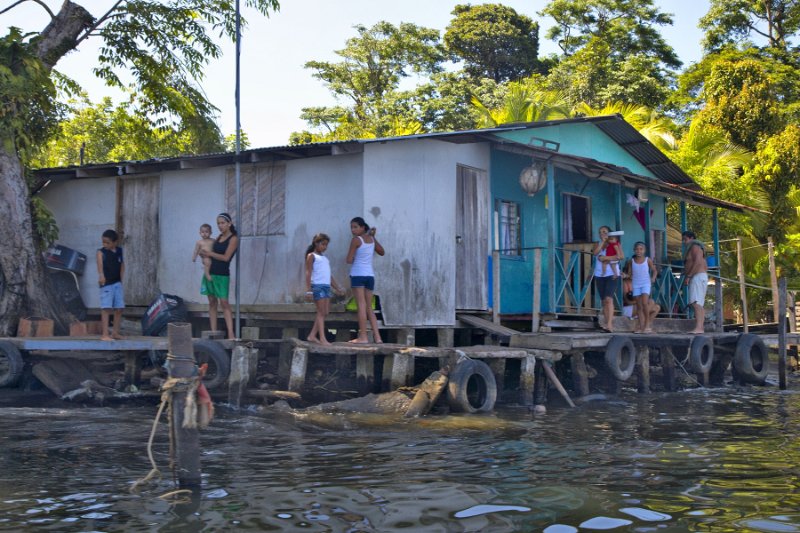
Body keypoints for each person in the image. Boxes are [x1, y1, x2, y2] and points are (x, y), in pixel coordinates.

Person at [199, 213, 239, 339]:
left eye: (222, 223)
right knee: (212, 302)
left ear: (229, 223)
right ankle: (213, 331)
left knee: (224, 302)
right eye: (218, 223)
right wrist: (203, 255)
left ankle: (231, 333)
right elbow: (209, 252)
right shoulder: (218, 237)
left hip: (222, 274)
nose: (220, 226)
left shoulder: (234, 239)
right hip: (210, 272)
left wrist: (210, 253)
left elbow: (226, 257)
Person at [346, 217, 385, 344]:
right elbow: (381, 252)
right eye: (351, 227)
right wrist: (372, 237)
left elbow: (349, 260)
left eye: (355, 227)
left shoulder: (356, 240)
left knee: (361, 306)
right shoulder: (372, 239)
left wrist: (354, 256)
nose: (353, 230)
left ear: (363, 227)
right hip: (370, 276)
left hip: (358, 275)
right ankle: (378, 337)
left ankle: (363, 337)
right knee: (369, 307)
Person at [305, 233, 343, 345]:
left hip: (326, 287)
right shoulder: (311, 256)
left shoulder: (325, 258)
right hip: (318, 286)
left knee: (325, 312)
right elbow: (308, 273)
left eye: (326, 245)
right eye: (323, 244)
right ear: (316, 243)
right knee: (321, 312)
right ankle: (322, 338)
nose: (325, 247)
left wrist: (337, 287)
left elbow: (329, 276)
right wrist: (308, 290)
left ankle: (312, 335)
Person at [593, 225, 624, 332]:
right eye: (601, 232)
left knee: (608, 299)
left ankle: (610, 325)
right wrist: (602, 242)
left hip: (612, 274)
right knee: (603, 301)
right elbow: (595, 253)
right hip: (599, 274)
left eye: (605, 232)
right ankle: (607, 324)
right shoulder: (598, 243)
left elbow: (620, 256)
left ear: (609, 233)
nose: (603, 233)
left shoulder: (615, 243)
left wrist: (606, 258)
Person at [96, 229, 125, 341]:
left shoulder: (119, 251)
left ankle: (115, 333)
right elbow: (100, 265)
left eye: (107, 242)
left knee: (119, 308)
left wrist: (121, 279)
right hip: (106, 284)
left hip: (117, 283)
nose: (105, 244)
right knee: (106, 308)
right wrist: (101, 275)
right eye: (103, 242)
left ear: (115, 242)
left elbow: (122, 264)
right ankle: (104, 334)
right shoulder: (101, 252)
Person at [625, 241, 658, 333]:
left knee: (644, 303)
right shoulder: (631, 261)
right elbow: (630, 274)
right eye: (636, 249)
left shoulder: (648, 260)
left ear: (644, 250)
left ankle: (647, 325)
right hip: (636, 284)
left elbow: (654, 270)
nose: (638, 251)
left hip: (645, 283)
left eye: (641, 249)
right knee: (639, 306)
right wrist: (625, 275)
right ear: (634, 250)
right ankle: (641, 326)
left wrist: (653, 278)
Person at [682, 230, 708, 334]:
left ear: (692, 238)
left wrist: (689, 275)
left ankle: (699, 327)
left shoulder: (695, 247)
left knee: (695, 303)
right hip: (698, 276)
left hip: (697, 276)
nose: (684, 242)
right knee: (698, 304)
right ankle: (700, 328)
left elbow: (698, 262)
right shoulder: (694, 248)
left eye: (685, 239)